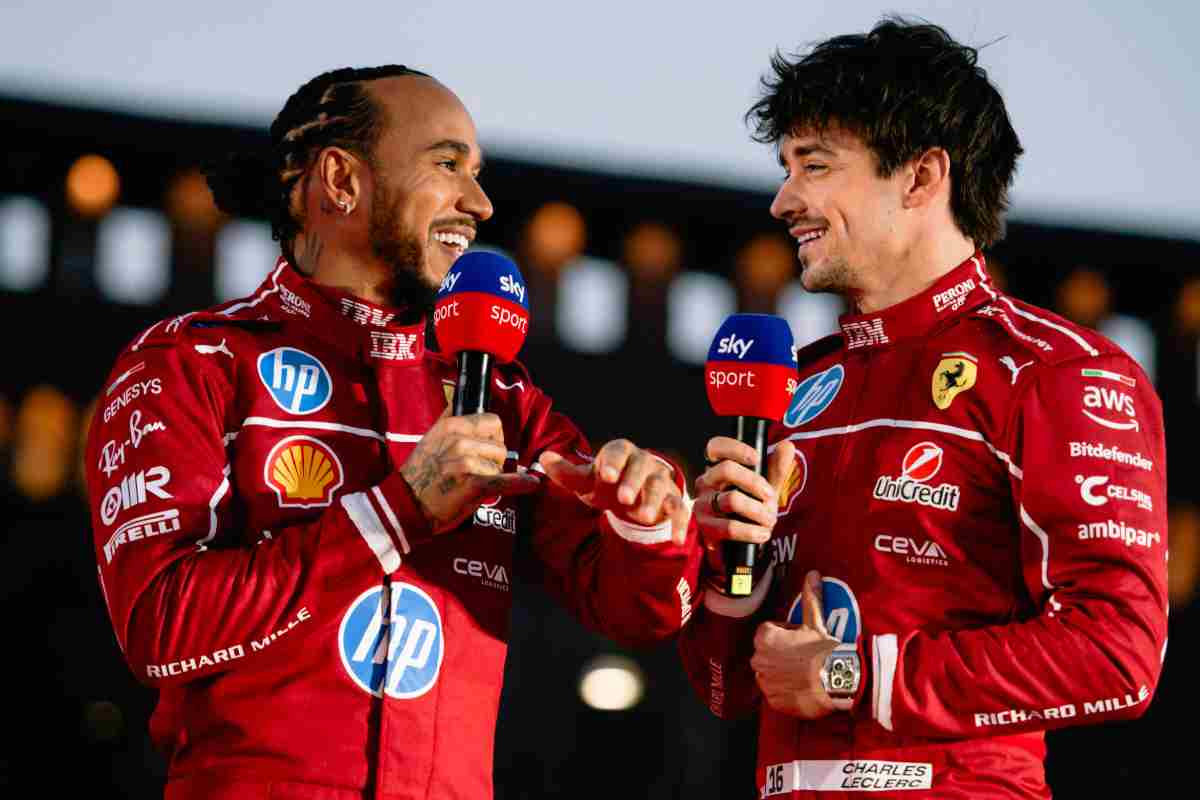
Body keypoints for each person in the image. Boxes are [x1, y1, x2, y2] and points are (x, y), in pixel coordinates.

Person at [86, 65, 701, 799]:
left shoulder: (504, 399)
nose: (479, 203)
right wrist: (396, 511)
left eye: (477, 173)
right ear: (341, 180)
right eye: (446, 165)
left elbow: (637, 609)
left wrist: (647, 526)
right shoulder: (193, 363)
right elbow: (159, 628)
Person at [679, 19, 1167, 798]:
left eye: (814, 165)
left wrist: (853, 673)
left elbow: (1119, 653)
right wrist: (726, 568)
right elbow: (726, 688)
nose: (783, 201)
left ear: (920, 177)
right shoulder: (797, 391)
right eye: (785, 168)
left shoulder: (1056, 372)